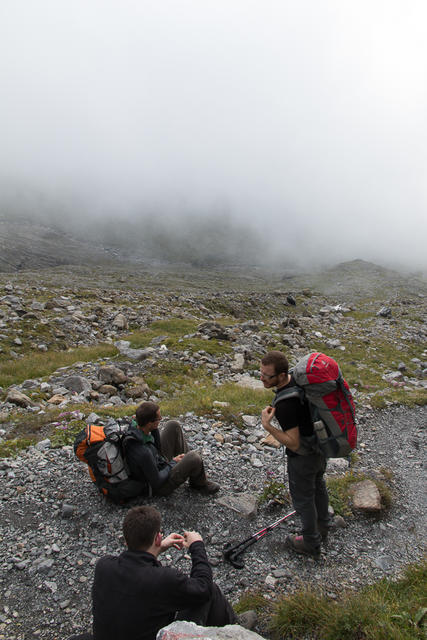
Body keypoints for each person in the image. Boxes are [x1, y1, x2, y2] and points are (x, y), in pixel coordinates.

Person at [68, 505, 235, 640]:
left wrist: (158, 548)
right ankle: (235, 633)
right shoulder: (163, 579)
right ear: (157, 537)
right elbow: (202, 587)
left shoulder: (103, 567)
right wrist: (197, 546)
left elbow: (135, 567)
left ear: (126, 540)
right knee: (210, 591)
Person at [260, 351, 331, 558]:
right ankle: (324, 525)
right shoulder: (297, 382)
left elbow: (293, 442)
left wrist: (268, 426)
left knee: (303, 499)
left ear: (281, 376)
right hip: (319, 448)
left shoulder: (285, 404)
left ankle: (310, 541)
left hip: (303, 457)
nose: (262, 379)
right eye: (261, 373)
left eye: (267, 376)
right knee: (318, 485)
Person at [125, 401, 220, 496]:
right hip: (159, 485)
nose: (161, 419)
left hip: (158, 462)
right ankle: (199, 484)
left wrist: (154, 429)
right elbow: (157, 481)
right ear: (149, 423)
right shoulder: (143, 452)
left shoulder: (138, 427)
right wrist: (173, 463)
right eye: (158, 419)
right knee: (194, 457)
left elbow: (157, 448)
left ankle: (191, 469)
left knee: (173, 425)